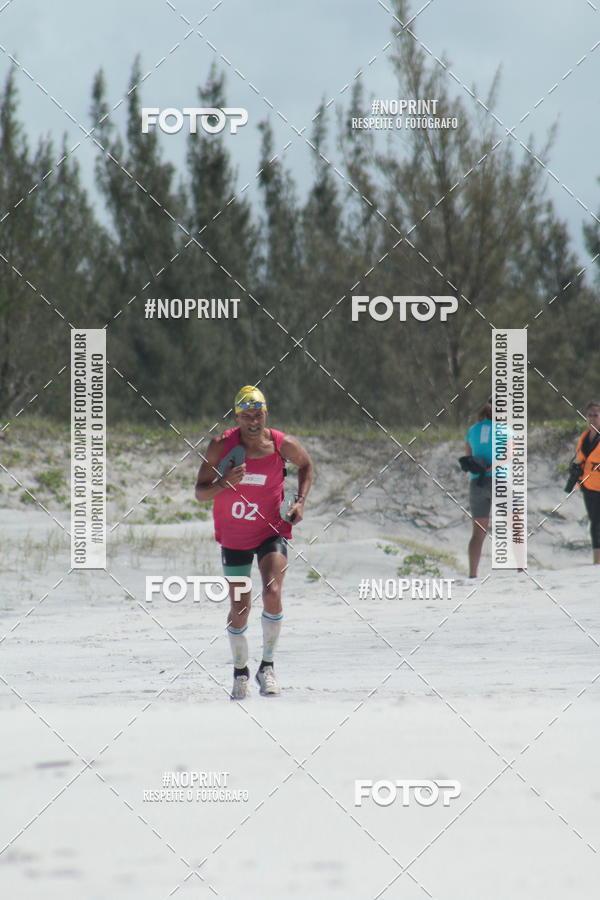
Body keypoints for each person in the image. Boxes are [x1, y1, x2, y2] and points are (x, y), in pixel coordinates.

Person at [195, 386, 313, 699]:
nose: (253, 420)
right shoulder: (221, 445)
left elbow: (307, 465)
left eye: (258, 413)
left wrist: (299, 501)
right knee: (240, 605)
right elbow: (200, 492)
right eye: (247, 414)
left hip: (271, 531)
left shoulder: (281, 444)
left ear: (266, 414)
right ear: (237, 416)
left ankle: (268, 667)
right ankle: (240, 671)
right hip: (234, 536)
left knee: (273, 591)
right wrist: (224, 483)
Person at [574, 401, 600, 564]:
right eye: (589, 415)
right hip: (588, 486)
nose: (592, 418)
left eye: (596, 415)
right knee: (595, 523)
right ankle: (597, 561)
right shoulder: (584, 437)